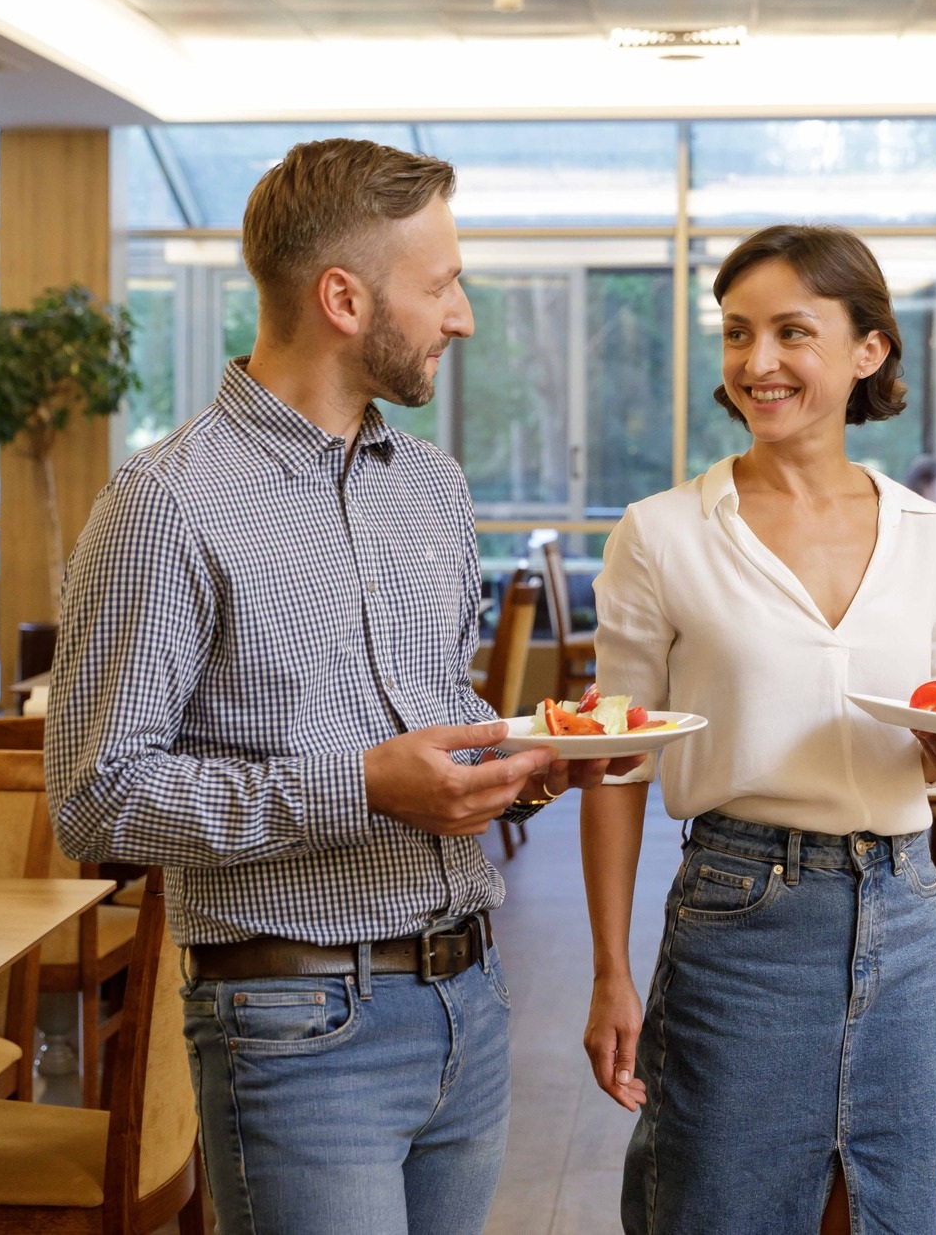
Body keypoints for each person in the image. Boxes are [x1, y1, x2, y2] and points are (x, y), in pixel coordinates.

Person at [45, 137, 623, 1235]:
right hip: (294, 1024)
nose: (461, 316)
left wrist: (534, 769)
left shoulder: (435, 489)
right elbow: (95, 797)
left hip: (472, 1001)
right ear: (344, 298)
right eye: (441, 284)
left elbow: (432, 742)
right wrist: (358, 786)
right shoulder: (165, 502)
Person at [579, 224, 936, 1235]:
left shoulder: (925, 531)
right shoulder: (662, 533)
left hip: (907, 909)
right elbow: (610, 766)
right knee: (713, 1211)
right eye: (737, 335)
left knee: (889, 1211)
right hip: (742, 912)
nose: (757, 363)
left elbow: (927, 715)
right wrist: (610, 969)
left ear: (868, 349)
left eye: (792, 331)